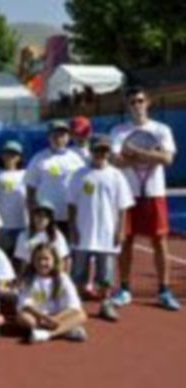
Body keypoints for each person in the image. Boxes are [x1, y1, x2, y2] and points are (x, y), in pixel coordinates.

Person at [109, 87, 180, 311]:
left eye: (140, 101)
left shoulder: (162, 129)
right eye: (132, 102)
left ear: (147, 102)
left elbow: (167, 159)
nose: (136, 105)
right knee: (126, 242)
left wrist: (134, 152)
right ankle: (124, 289)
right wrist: (151, 155)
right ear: (127, 105)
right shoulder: (118, 131)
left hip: (154, 193)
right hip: (127, 195)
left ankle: (164, 290)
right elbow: (116, 161)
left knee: (160, 242)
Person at [68, 135, 134, 321]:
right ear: (91, 151)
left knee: (106, 274)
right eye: (97, 150)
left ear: (109, 153)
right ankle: (75, 306)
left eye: (104, 150)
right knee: (78, 273)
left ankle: (105, 304)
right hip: (84, 231)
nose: (100, 154)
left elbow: (122, 207)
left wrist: (120, 230)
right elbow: (71, 204)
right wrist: (73, 228)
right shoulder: (79, 175)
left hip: (107, 233)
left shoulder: (116, 176)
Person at [17, 244, 87, 344]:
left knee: (81, 315)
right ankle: (66, 330)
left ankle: (48, 334)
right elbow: (25, 304)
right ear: (33, 261)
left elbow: (74, 305)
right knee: (23, 318)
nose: (42, 263)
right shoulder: (29, 279)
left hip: (59, 316)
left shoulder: (63, 278)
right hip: (38, 317)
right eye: (38, 259)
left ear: (54, 260)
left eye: (46, 259)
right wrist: (43, 317)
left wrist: (55, 319)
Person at [24, 120, 86, 237]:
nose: (59, 138)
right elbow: (30, 190)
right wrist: (32, 217)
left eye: (62, 135)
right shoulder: (38, 159)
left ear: (68, 137)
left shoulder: (77, 159)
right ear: (49, 137)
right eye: (55, 135)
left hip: (70, 217)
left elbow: (82, 188)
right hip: (46, 218)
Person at [0, 140, 28, 255]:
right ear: (1, 156)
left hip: (22, 224)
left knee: (20, 258)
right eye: (7, 153)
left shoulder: (26, 174)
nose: (10, 157)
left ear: (19, 158)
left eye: (14, 154)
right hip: (2, 225)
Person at [14, 201, 71, 273]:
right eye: (38, 215)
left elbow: (64, 259)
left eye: (45, 216)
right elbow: (21, 261)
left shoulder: (57, 235)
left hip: (52, 273)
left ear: (50, 219)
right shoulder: (23, 236)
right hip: (31, 273)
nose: (41, 219)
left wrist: (63, 276)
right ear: (33, 217)